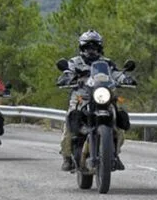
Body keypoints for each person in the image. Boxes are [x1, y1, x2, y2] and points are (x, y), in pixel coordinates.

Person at [57, 30, 134, 172]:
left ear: (99, 48)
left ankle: (115, 154)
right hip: (81, 96)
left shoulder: (106, 62)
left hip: (103, 95)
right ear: (82, 48)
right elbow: (67, 72)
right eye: (87, 47)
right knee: (70, 122)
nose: (91, 50)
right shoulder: (74, 62)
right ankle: (67, 157)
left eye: (94, 47)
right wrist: (66, 78)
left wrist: (125, 78)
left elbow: (116, 73)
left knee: (119, 123)